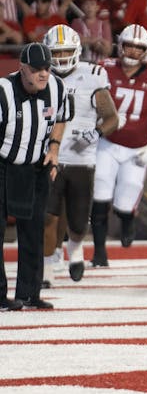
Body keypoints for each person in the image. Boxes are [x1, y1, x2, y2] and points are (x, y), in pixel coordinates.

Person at [90, 24, 147, 266]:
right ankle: (99, 252)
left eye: (139, 48)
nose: (134, 52)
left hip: (138, 147)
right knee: (100, 194)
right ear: (120, 45)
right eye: (129, 46)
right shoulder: (104, 69)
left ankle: (126, 218)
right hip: (107, 142)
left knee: (127, 197)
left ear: (146, 51)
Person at [41, 25, 118, 285]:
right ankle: (46, 270)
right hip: (48, 157)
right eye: (56, 52)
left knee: (76, 222)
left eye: (66, 52)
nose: (61, 58)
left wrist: (94, 134)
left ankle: (74, 248)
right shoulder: (40, 77)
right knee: (48, 217)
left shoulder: (93, 74)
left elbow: (112, 118)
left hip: (81, 159)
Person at [0, 43, 69, 310]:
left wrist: (54, 148)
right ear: (23, 68)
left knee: (33, 229)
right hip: (4, 163)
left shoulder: (57, 87)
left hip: (36, 165)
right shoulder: (4, 92)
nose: (43, 74)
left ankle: (29, 292)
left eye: (47, 68)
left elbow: (62, 116)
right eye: (37, 69)